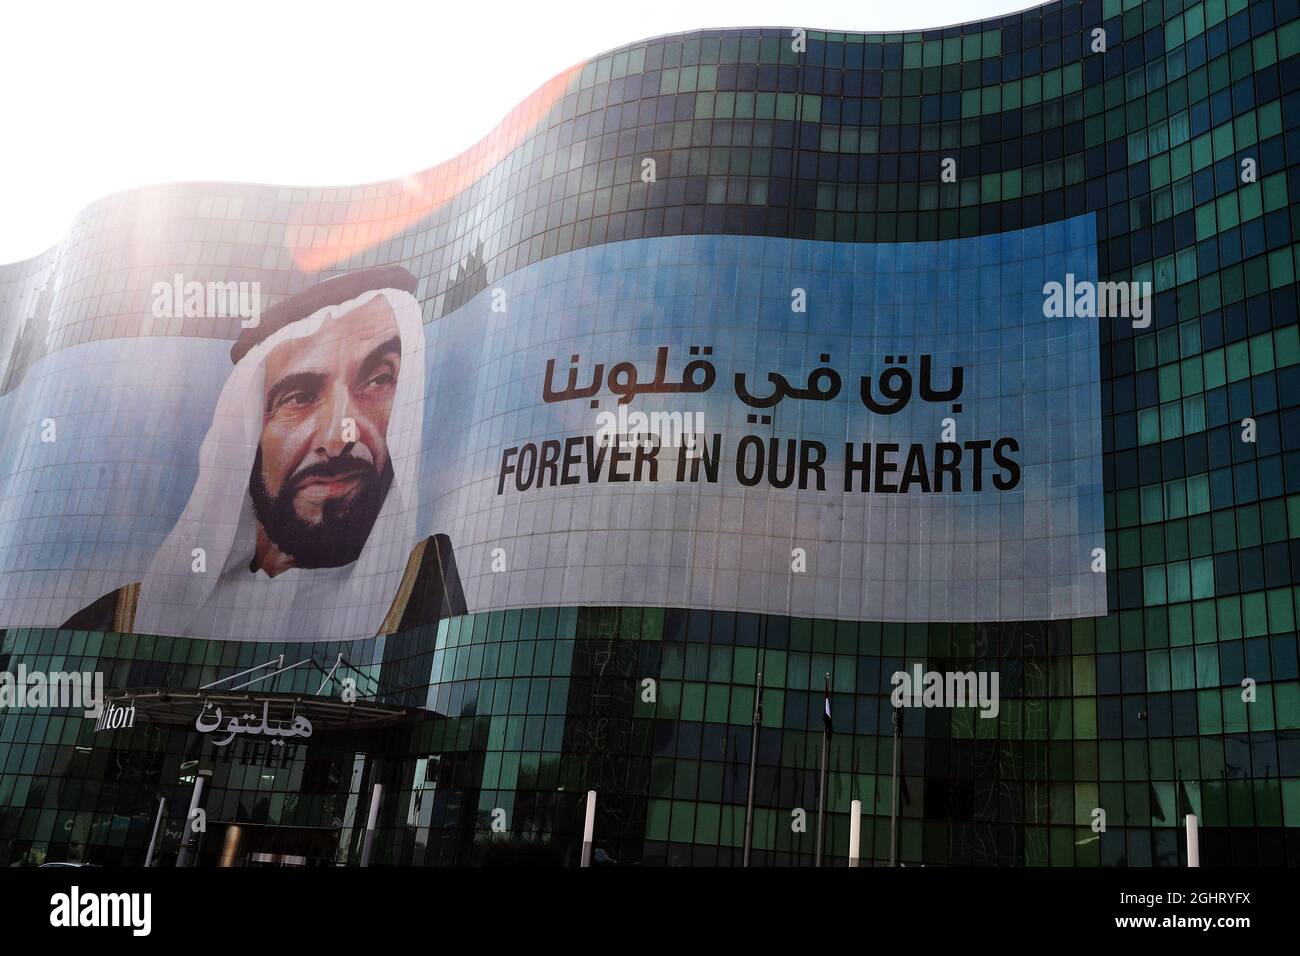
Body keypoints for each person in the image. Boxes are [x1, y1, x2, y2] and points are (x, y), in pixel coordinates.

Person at [63, 266, 465, 641]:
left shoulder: (428, 597)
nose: (339, 435)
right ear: (247, 435)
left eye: (378, 380)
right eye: (300, 397)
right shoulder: (114, 624)